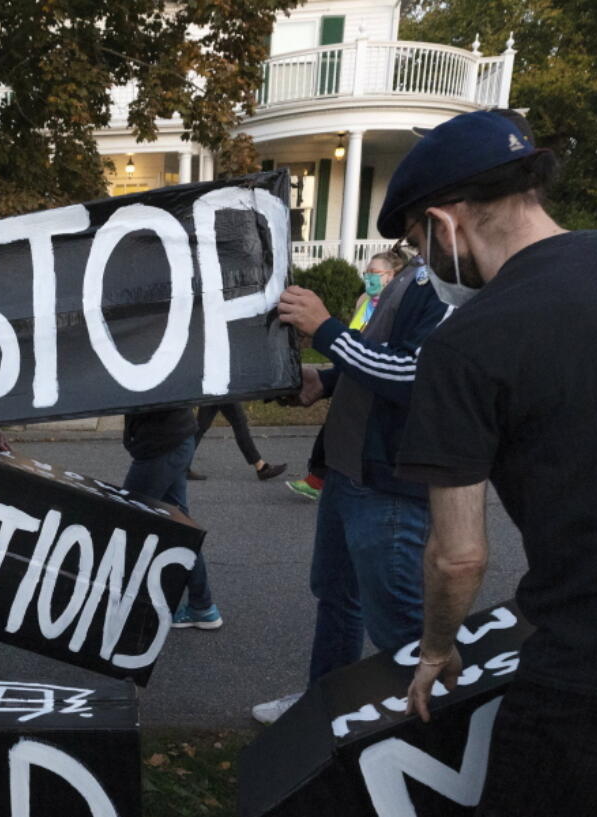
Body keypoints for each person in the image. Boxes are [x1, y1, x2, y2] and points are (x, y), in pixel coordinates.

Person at [385, 110, 597, 814]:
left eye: (416, 244)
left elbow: (457, 556)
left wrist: (436, 647)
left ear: (444, 224)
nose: (424, 262)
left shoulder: (466, 346)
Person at [251, 237, 450, 724]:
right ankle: (325, 706)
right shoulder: (416, 273)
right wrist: (329, 380)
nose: (407, 233)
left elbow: (414, 374)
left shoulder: (450, 285)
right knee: (338, 597)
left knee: (399, 622)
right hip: (349, 470)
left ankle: (429, 734)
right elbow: (383, 352)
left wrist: (326, 329)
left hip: (389, 484)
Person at [285, 251, 406, 501]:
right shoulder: (364, 300)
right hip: (348, 376)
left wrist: (323, 329)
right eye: (367, 272)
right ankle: (319, 479)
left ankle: (317, 478)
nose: (369, 278)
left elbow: (395, 365)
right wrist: (326, 379)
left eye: (375, 273)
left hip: (372, 408)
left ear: (391, 276)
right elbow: (354, 340)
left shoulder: (401, 303)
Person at [122, 408, 222, 630]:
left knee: (127, 521)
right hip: (176, 439)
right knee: (180, 526)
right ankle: (202, 606)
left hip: (162, 447)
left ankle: (109, 603)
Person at [188, 403, 286, 482]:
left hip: (213, 383)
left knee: (200, 426)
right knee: (239, 422)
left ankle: (179, 465)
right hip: (220, 384)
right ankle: (260, 467)